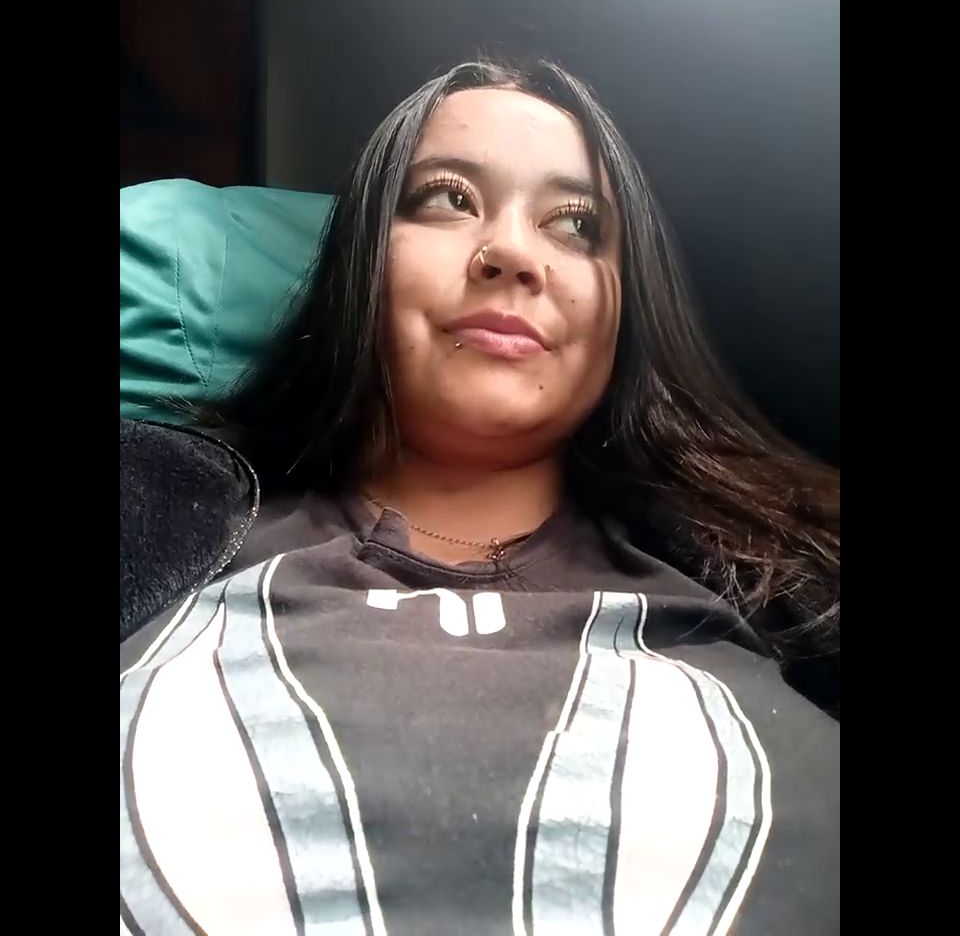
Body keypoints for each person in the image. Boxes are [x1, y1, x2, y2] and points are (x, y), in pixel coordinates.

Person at [120, 59, 839, 936]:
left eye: (577, 224)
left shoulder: (793, 575)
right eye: (448, 199)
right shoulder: (151, 507)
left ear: (625, 314)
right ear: (357, 265)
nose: (514, 253)